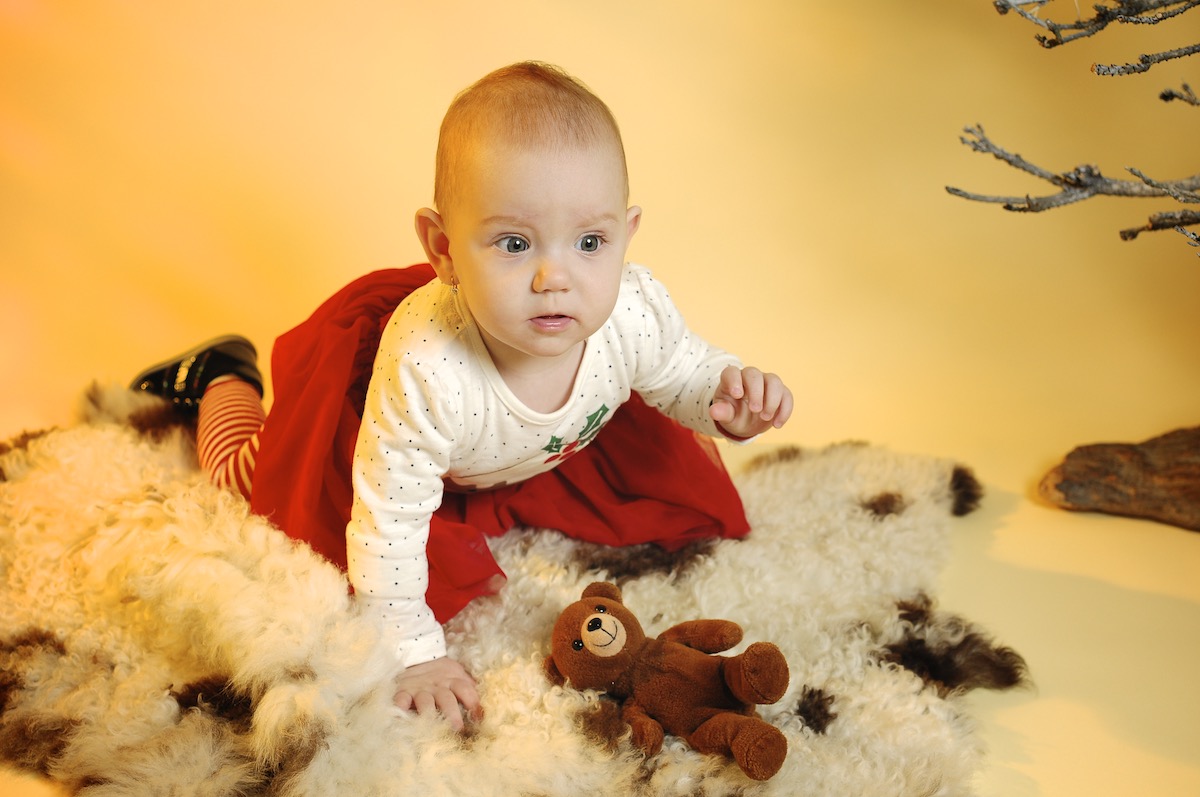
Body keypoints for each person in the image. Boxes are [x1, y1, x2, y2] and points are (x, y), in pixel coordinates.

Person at [131, 62, 793, 731]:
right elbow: (389, 521)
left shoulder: (630, 311)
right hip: (382, 436)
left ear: (627, 233)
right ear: (443, 248)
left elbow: (680, 371)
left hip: (514, 452)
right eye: (514, 243)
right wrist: (414, 652)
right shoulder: (427, 364)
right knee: (255, 485)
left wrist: (725, 401)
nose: (554, 277)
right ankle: (222, 375)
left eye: (590, 242)